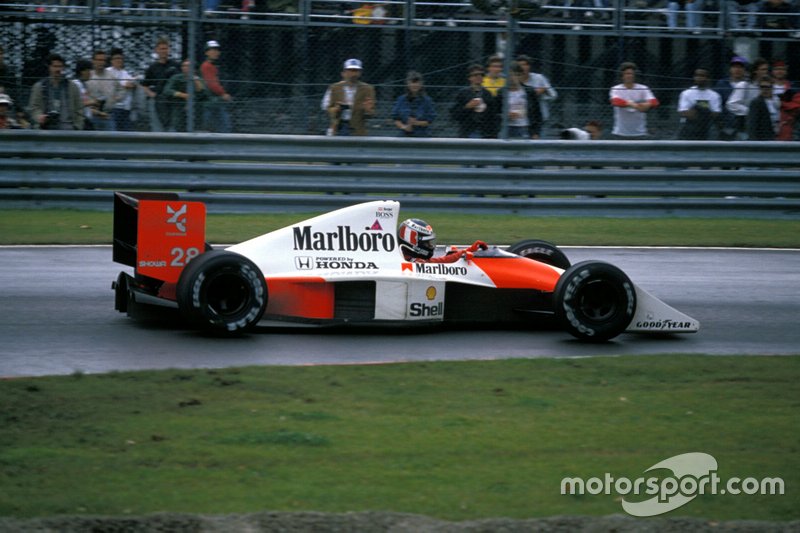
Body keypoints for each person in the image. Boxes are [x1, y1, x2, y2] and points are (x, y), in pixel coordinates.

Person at [28, 53, 84, 130]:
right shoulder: (39, 87)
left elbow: (79, 108)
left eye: (60, 66)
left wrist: (78, 126)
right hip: (46, 130)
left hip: (69, 129)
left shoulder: (72, 87)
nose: (58, 69)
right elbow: (34, 107)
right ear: (49, 67)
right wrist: (39, 117)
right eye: (55, 66)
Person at [321, 58, 376, 136]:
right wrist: (336, 109)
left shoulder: (367, 89)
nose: (353, 74)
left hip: (358, 128)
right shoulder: (334, 88)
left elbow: (371, 113)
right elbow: (325, 107)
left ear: (360, 73)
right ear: (343, 73)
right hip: (338, 126)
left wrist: (367, 110)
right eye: (350, 70)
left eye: (356, 71)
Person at [397, 218, 488, 264]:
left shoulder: (409, 260)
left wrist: (467, 251)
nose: (430, 246)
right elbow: (441, 262)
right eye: (426, 243)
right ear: (413, 242)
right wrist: (465, 252)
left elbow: (441, 261)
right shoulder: (414, 263)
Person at [609, 61, 659, 139]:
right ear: (622, 75)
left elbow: (654, 102)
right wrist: (633, 105)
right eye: (627, 74)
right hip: (620, 133)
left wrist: (647, 105)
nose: (629, 76)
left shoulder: (643, 88)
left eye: (631, 73)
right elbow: (615, 101)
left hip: (640, 133)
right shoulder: (616, 88)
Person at [142, 37, 180, 132]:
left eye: (166, 48)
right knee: (158, 129)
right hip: (158, 101)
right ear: (157, 50)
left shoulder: (175, 65)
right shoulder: (152, 67)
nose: (164, 51)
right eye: (161, 49)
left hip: (173, 101)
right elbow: (144, 85)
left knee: (173, 129)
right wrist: (152, 95)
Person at [450, 64, 498, 139]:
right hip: (468, 130)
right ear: (469, 78)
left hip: (485, 131)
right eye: (475, 75)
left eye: (481, 75)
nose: (479, 77)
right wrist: (467, 107)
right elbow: (454, 114)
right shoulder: (462, 93)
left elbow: (493, 115)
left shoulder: (487, 94)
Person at [726, 57, 769, 140]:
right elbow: (731, 104)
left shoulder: (764, 86)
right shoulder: (744, 85)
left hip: (761, 124)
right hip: (744, 124)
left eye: (767, 69)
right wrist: (750, 112)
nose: (766, 72)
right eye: (763, 70)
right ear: (756, 71)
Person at [497, 63, 543, 139]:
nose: (513, 78)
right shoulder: (501, 92)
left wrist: (536, 132)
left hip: (524, 127)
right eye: (511, 75)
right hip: (506, 127)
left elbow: (537, 114)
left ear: (521, 76)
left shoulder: (529, 91)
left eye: (517, 75)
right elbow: (496, 112)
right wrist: (506, 115)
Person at [163, 59, 207, 132]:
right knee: (177, 128)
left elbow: (203, 93)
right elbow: (167, 90)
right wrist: (183, 95)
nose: (185, 67)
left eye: (188, 66)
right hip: (178, 108)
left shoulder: (198, 79)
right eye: (184, 65)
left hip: (195, 110)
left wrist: (196, 81)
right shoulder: (176, 78)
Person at [677, 68, 722, 140]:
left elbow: (716, 113)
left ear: (708, 78)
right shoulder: (686, 93)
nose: (699, 78)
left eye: (702, 75)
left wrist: (696, 110)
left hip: (707, 126)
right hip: (689, 125)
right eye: (697, 75)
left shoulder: (714, 95)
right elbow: (683, 112)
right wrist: (705, 111)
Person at [516, 54, 558, 129]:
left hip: (540, 119)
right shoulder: (513, 80)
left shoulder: (539, 78)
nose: (522, 67)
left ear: (529, 66)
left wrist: (544, 91)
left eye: (525, 65)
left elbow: (553, 95)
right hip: (520, 120)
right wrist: (533, 93)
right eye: (520, 65)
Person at [391, 71, 436, 137]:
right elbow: (396, 119)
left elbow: (429, 121)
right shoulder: (401, 99)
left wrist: (416, 123)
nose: (415, 85)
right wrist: (404, 127)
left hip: (422, 135)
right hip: (404, 135)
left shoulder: (427, 100)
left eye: (417, 82)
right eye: (413, 82)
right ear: (408, 84)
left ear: (421, 84)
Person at [200, 40, 232, 133]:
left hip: (214, 102)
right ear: (206, 52)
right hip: (212, 102)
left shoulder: (214, 66)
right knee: (224, 128)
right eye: (212, 50)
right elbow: (212, 84)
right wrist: (223, 94)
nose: (216, 52)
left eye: (217, 50)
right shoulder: (206, 66)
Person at [714, 55, 748, 140]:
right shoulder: (721, 84)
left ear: (744, 70)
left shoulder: (748, 85)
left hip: (744, 125)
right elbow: (717, 103)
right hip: (726, 124)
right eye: (734, 67)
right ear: (730, 69)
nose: (737, 69)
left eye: (740, 67)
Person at [85, 49, 119, 131]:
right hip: (93, 115)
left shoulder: (111, 76)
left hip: (108, 115)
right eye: (99, 60)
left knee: (111, 140)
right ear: (93, 61)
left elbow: (121, 89)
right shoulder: (88, 76)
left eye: (103, 60)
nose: (101, 62)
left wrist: (115, 99)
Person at [107, 48, 138, 131]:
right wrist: (124, 85)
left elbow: (132, 83)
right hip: (114, 108)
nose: (119, 60)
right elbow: (110, 87)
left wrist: (132, 83)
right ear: (111, 60)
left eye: (120, 58)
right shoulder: (108, 72)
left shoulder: (125, 73)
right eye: (116, 58)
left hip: (126, 109)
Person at [772, 60, 800, 140]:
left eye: (782, 69)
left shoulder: (793, 88)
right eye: (777, 69)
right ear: (773, 71)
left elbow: (797, 105)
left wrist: (782, 104)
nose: (779, 71)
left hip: (788, 125)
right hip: (769, 124)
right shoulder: (767, 86)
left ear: (786, 71)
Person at [748, 75, 780, 140]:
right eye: (762, 87)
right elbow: (752, 125)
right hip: (763, 139)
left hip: (777, 137)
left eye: (768, 87)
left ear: (772, 88)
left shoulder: (777, 101)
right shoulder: (756, 103)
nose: (765, 89)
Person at [72, 59, 94, 130]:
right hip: (80, 119)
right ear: (82, 71)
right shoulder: (75, 84)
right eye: (88, 70)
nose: (90, 73)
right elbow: (77, 103)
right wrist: (93, 102)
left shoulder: (84, 85)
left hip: (87, 119)